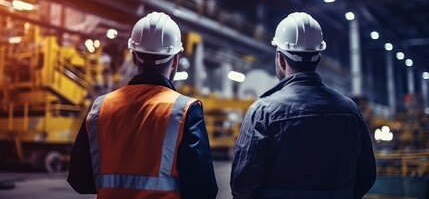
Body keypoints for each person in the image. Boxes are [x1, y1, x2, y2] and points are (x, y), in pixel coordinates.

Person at [67, 11, 218, 199]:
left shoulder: (100, 107)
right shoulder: (185, 110)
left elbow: (80, 181)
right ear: (176, 60)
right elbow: (204, 190)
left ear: (134, 57)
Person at [230, 12, 376, 199]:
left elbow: (242, 183)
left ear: (280, 59)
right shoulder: (350, 110)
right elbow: (367, 175)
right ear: (318, 58)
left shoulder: (262, 111)